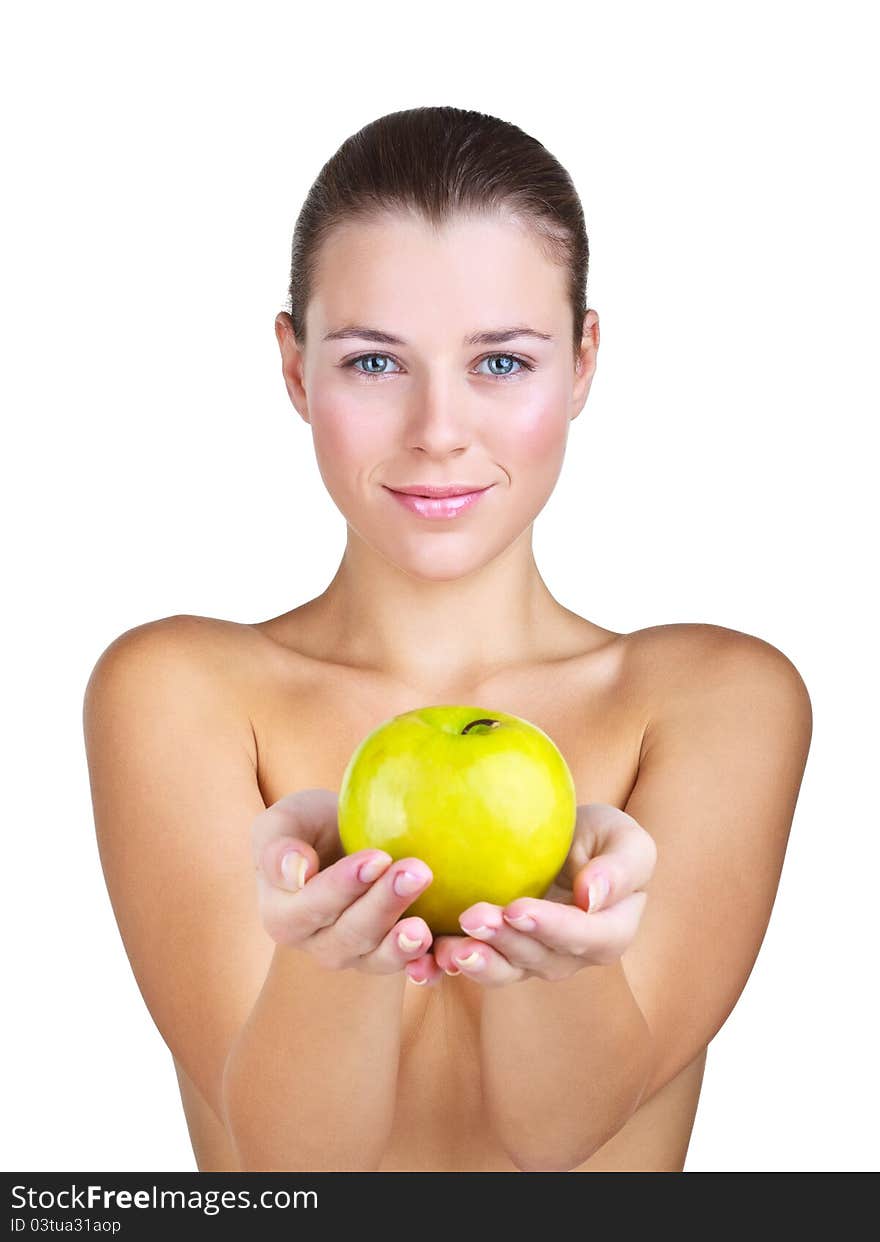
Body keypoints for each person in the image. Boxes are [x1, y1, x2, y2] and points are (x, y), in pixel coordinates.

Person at [82, 105, 813, 1173]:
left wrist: (559, 961)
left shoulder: (717, 700)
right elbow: (297, 1169)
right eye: (375, 364)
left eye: (502, 363)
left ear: (583, 360)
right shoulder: (177, 691)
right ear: (294, 369)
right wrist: (328, 955)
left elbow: (559, 1136)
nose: (436, 428)